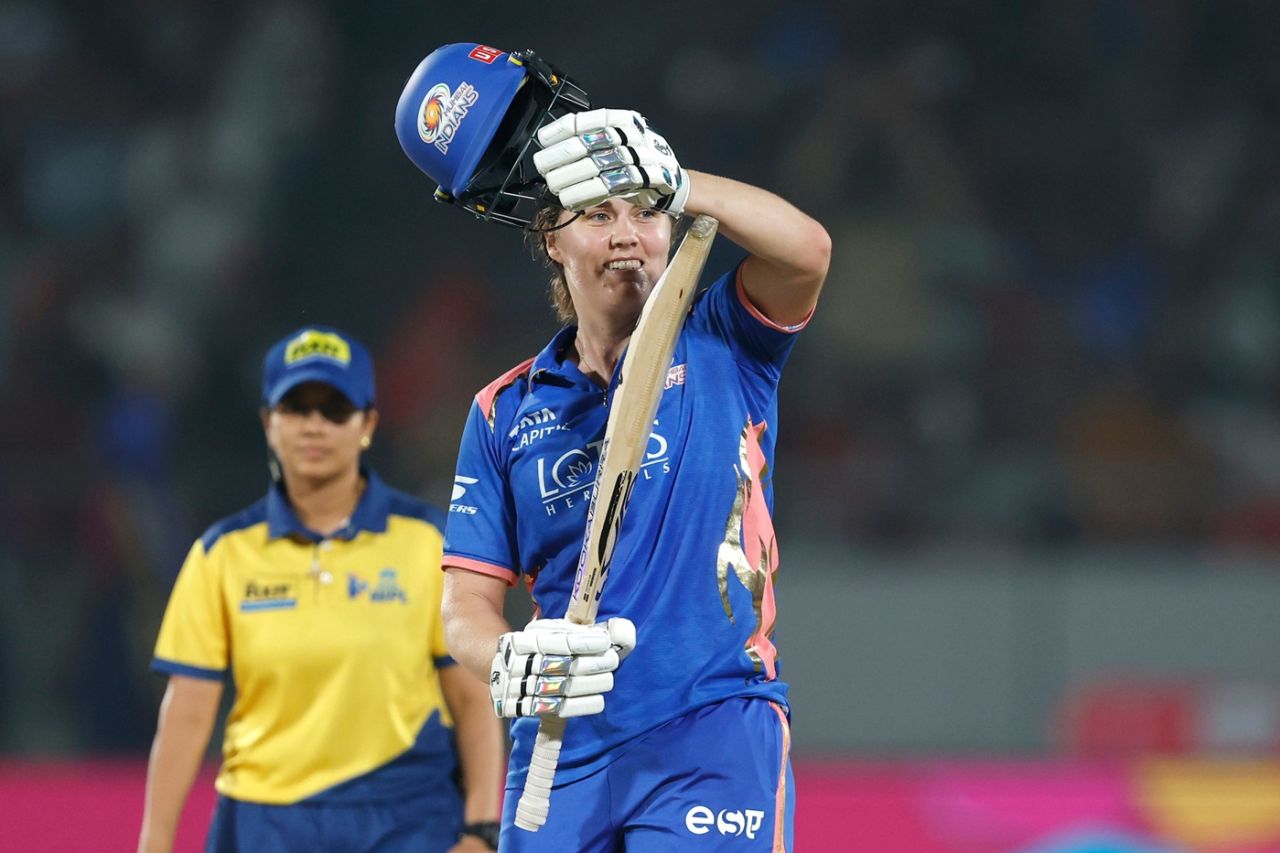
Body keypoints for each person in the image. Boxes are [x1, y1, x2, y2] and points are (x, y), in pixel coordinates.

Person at [395, 45, 830, 851]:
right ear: (553, 242)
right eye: (599, 215)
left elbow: (807, 250)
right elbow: (465, 608)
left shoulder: (726, 342)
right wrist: (508, 659)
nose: (629, 233)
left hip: (712, 731)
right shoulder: (502, 411)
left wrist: (683, 181)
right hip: (561, 753)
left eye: (645, 210)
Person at [137, 326, 505, 853]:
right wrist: (154, 843)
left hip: (407, 818)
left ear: (367, 424)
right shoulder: (222, 554)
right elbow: (188, 713)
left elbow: (471, 698)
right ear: (268, 422)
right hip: (265, 827)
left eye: (334, 409)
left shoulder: (426, 543)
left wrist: (480, 830)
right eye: (296, 408)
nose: (314, 426)